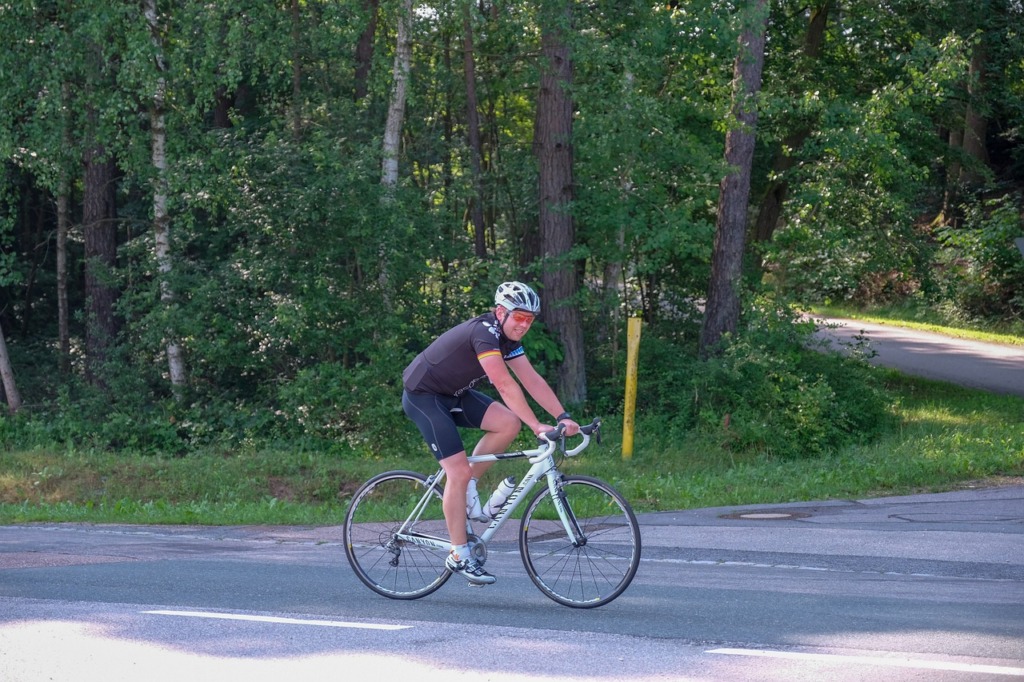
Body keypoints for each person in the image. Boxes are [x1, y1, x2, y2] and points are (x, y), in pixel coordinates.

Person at [402, 281, 580, 585]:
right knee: (455, 473)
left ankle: (471, 484)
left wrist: (561, 415)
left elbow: (531, 379)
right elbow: (504, 384)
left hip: (454, 394)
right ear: (501, 312)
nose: (524, 325)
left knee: (508, 423)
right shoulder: (485, 333)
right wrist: (537, 425)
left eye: (529, 320)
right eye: (519, 318)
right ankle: (459, 553)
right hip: (424, 396)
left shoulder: (510, 340)